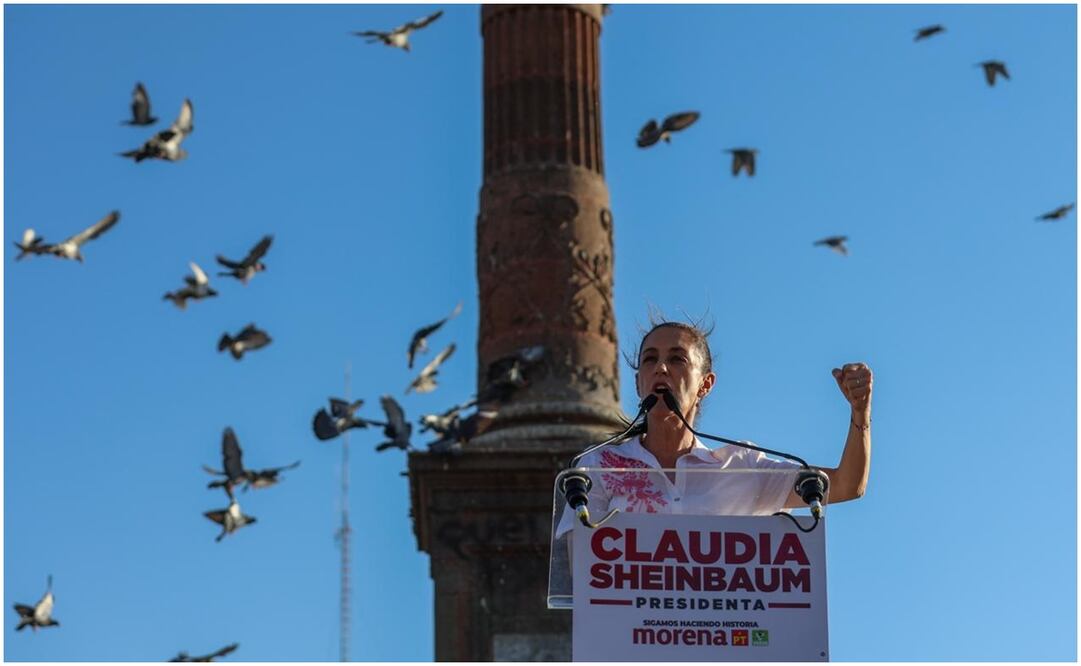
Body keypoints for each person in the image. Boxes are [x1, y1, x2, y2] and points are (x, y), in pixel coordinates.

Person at [565, 320, 872, 523]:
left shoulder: (740, 467)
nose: (661, 368)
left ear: (706, 384)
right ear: (637, 383)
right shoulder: (597, 466)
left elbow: (847, 484)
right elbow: (579, 568)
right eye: (650, 359)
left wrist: (860, 413)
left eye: (677, 359)